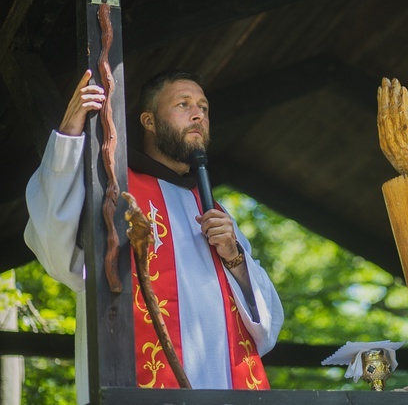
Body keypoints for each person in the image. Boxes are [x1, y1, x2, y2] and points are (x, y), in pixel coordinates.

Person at [24, 69, 284, 404]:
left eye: (204, 108)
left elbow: (267, 329)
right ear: (149, 120)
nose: (198, 115)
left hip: (225, 388)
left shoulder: (215, 211)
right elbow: (56, 246)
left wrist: (234, 257)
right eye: (184, 104)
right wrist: (69, 137)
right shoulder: (116, 190)